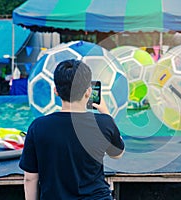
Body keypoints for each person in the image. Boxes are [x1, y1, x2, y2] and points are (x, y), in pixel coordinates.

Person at [19, 59, 125, 199]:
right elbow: (117, 154)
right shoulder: (103, 123)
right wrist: (105, 113)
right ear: (88, 92)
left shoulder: (38, 127)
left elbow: (30, 178)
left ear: (56, 91)